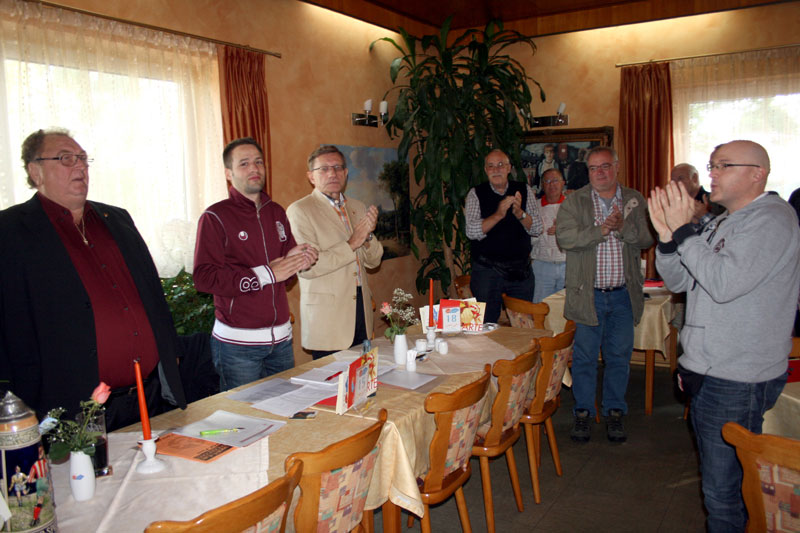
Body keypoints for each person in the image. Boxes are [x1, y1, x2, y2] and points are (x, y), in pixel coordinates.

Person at [649, 140, 800, 532]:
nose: (711, 174)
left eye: (723, 166)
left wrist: (684, 230)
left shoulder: (772, 220)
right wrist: (668, 238)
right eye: (711, 165)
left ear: (757, 173)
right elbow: (680, 279)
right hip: (712, 367)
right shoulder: (721, 220)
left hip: (737, 375)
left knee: (724, 493)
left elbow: (722, 283)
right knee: (719, 488)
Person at [0, 129, 188, 431]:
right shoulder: (10, 232)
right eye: (66, 158)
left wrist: (170, 351)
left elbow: (152, 294)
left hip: (148, 397)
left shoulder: (118, 219)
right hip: (75, 407)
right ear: (35, 172)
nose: (80, 166)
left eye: (83, 159)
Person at [194, 137, 317, 390]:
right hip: (237, 348)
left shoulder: (277, 212)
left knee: (285, 415)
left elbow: (285, 275)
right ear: (229, 174)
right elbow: (204, 278)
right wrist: (266, 273)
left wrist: (297, 259)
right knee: (243, 422)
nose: (254, 168)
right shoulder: (215, 217)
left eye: (259, 162)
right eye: (244, 163)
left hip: (282, 342)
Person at [556, 146, 653, 443]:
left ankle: (614, 412)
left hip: (623, 295)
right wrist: (600, 231)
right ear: (588, 172)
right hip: (589, 295)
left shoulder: (635, 199)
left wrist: (623, 228)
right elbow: (565, 238)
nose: (600, 173)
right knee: (584, 358)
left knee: (619, 358)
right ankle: (583, 413)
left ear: (617, 167)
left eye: (605, 166)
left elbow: (649, 237)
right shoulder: (575, 201)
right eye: (594, 168)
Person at [286, 145, 383, 359]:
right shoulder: (300, 211)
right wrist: (352, 243)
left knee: (363, 385)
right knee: (332, 389)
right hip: (328, 318)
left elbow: (374, 261)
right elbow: (308, 267)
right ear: (311, 177)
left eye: (338, 167)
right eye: (324, 169)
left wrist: (367, 236)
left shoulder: (357, 206)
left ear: (346, 173)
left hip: (360, 308)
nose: (332, 173)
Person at [465, 149, 543, 323]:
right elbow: (471, 231)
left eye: (501, 165)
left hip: (520, 271)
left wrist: (520, 213)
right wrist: (499, 214)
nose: (496, 170)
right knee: (482, 326)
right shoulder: (475, 193)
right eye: (491, 166)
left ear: (509, 168)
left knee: (524, 324)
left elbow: (537, 228)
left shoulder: (524, 190)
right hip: (486, 271)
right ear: (485, 170)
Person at [531, 168, 567, 302]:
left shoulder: (573, 205)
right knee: (541, 309)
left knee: (566, 311)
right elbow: (529, 239)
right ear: (542, 185)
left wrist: (563, 231)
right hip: (542, 265)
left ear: (563, 183)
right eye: (547, 181)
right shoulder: (534, 207)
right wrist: (540, 231)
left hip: (568, 265)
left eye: (555, 180)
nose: (552, 184)